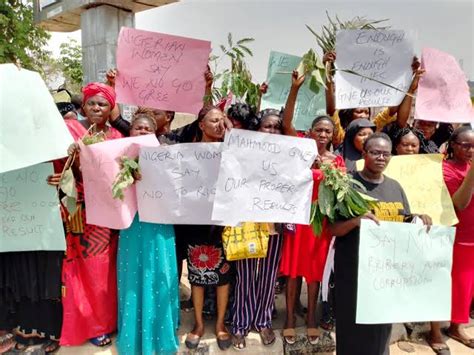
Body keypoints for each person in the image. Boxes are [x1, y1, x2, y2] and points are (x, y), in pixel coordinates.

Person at [329, 133, 431, 355]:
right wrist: (356, 221)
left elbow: (403, 221)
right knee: (352, 330)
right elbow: (332, 229)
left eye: (386, 154)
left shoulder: (395, 187)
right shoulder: (348, 185)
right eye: (375, 152)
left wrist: (419, 218)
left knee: (381, 330)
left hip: (386, 275)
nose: (381, 158)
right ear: (364, 154)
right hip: (354, 273)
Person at [55, 82, 123, 347]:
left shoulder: (117, 136)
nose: (97, 107)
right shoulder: (71, 130)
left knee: (104, 269)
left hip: (106, 214)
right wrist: (60, 174)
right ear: (83, 105)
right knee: (80, 270)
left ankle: (107, 321)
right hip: (77, 211)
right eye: (92, 103)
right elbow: (59, 163)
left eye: (103, 104)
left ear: (110, 109)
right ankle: (90, 324)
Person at [279, 70, 343, 345]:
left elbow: (341, 194)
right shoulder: (301, 150)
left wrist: (328, 174)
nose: (322, 134)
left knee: (315, 272)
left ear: (332, 135)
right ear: (311, 131)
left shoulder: (336, 161)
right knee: (293, 271)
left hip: (321, 222)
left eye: (327, 131)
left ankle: (313, 318)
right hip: (299, 218)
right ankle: (291, 319)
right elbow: (286, 122)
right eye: (318, 129)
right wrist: (294, 89)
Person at [116, 112, 179, 355]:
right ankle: (133, 336)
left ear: (155, 134)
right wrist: (125, 176)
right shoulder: (119, 159)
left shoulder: (166, 156)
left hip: (160, 225)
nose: (142, 132)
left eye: (146, 129)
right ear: (130, 132)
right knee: (133, 276)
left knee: (160, 273)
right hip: (131, 226)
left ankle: (161, 336)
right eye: (137, 128)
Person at [230, 108, 283, 350]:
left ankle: (263, 320)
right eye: (267, 126)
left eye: (276, 127)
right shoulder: (243, 152)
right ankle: (240, 324)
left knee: (269, 274)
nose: (271, 131)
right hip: (248, 225)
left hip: (274, 223)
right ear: (257, 129)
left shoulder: (287, 155)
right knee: (246, 275)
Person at [184, 105, 233, 351]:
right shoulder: (188, 151)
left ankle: (221, 324)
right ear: (201, 125)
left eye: (222, 121)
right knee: (197, 276)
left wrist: (232, 134)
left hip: (222, 223)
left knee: (223, 276)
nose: (218, 125)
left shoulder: (231, 152)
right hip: (196, 221)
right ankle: (199, 324)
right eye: (213, 121)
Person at [443, 126, 474, 350]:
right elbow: (459, 203)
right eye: (466, 145)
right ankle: (455, 326)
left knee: (469, 285)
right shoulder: (446, 169)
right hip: (460, 235)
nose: (471, 150)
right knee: (461, 284)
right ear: (453, 145)